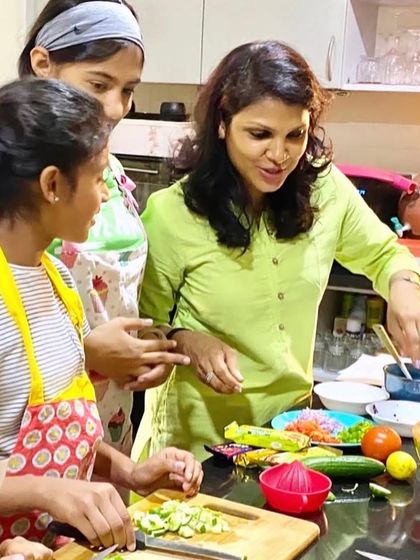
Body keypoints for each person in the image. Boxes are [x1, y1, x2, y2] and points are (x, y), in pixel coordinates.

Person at [133, 40, 420, 462]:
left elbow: (384, 255)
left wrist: (404, 285)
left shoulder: (325, 190)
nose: (279, 155)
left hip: (292, 434)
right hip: (196, 451)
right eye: (260, 134)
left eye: (295, 135)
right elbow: (142, 330)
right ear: (222, 124)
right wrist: (184, 340)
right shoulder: (172, 213)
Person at [0, 78, 202, 549]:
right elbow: (39, 476)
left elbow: (61, 436)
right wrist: (45, 492)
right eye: (98, 179)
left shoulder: (57, 279)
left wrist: (130, 471)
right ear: (53, 185)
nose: (107, 196)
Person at [18, 0, 188, 462]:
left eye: (128, 89)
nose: (116, 108)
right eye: (99, 84)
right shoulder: (14, 176)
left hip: (105, 434)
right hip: (29, 449)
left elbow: (116, 296)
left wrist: (144, 352)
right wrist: (88, 353)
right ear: (43, 64)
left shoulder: (107, 171)